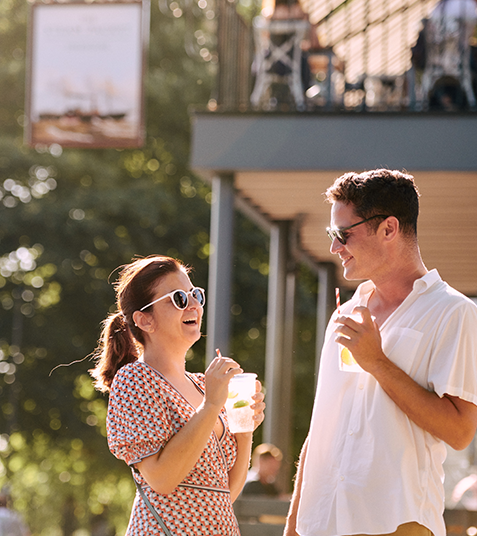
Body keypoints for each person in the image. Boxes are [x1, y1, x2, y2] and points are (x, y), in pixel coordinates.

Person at [284, 169, 477, 536]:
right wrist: (293, 525)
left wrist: (377, 363)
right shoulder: (343, 315)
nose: (334, 247)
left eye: (343, 234)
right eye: (332, 235)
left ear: (388, 228)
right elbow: (321, 428)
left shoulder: (454, 313)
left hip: (395, 523)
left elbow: (459, 431)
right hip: (320, 522)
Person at [90, 255, 265, 536]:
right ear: (144, 320)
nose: (194, 305)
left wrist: (244, 430)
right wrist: (211, 406)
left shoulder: (202, 384)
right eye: (179, 298)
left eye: (196, 294)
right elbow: (161, 479)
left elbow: (224, 494)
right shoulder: (135, 380)